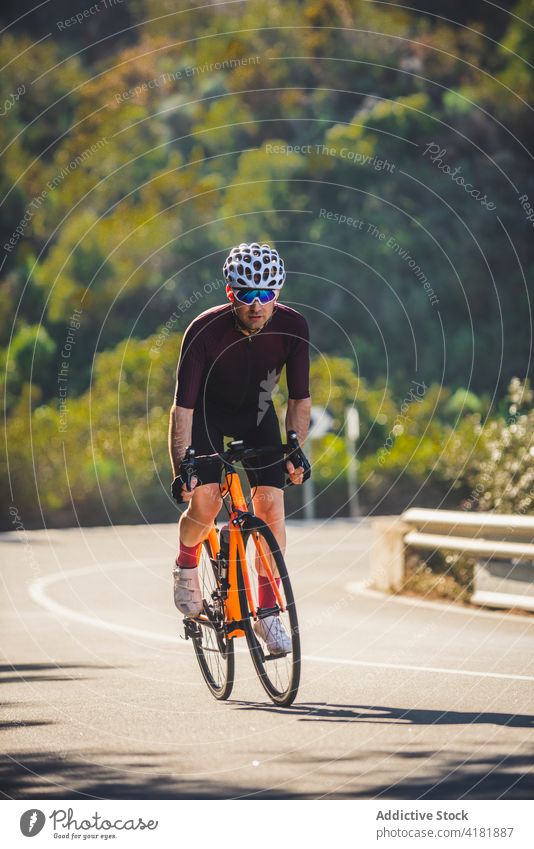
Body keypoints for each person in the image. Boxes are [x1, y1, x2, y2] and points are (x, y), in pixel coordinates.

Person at [168, 242, 311, 654]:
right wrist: (184, 468)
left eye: (266, 294)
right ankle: (187, 562)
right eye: (247, 294)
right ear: (231, 293)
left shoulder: (294, 327)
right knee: (207, 504)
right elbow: (183, 410)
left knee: (270, 510)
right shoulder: (204, 330)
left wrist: (296, 448)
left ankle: (267, 613)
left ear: (277, 295)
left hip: (258, 418)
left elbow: (300, 399)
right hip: (207, 421)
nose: (256, 304)